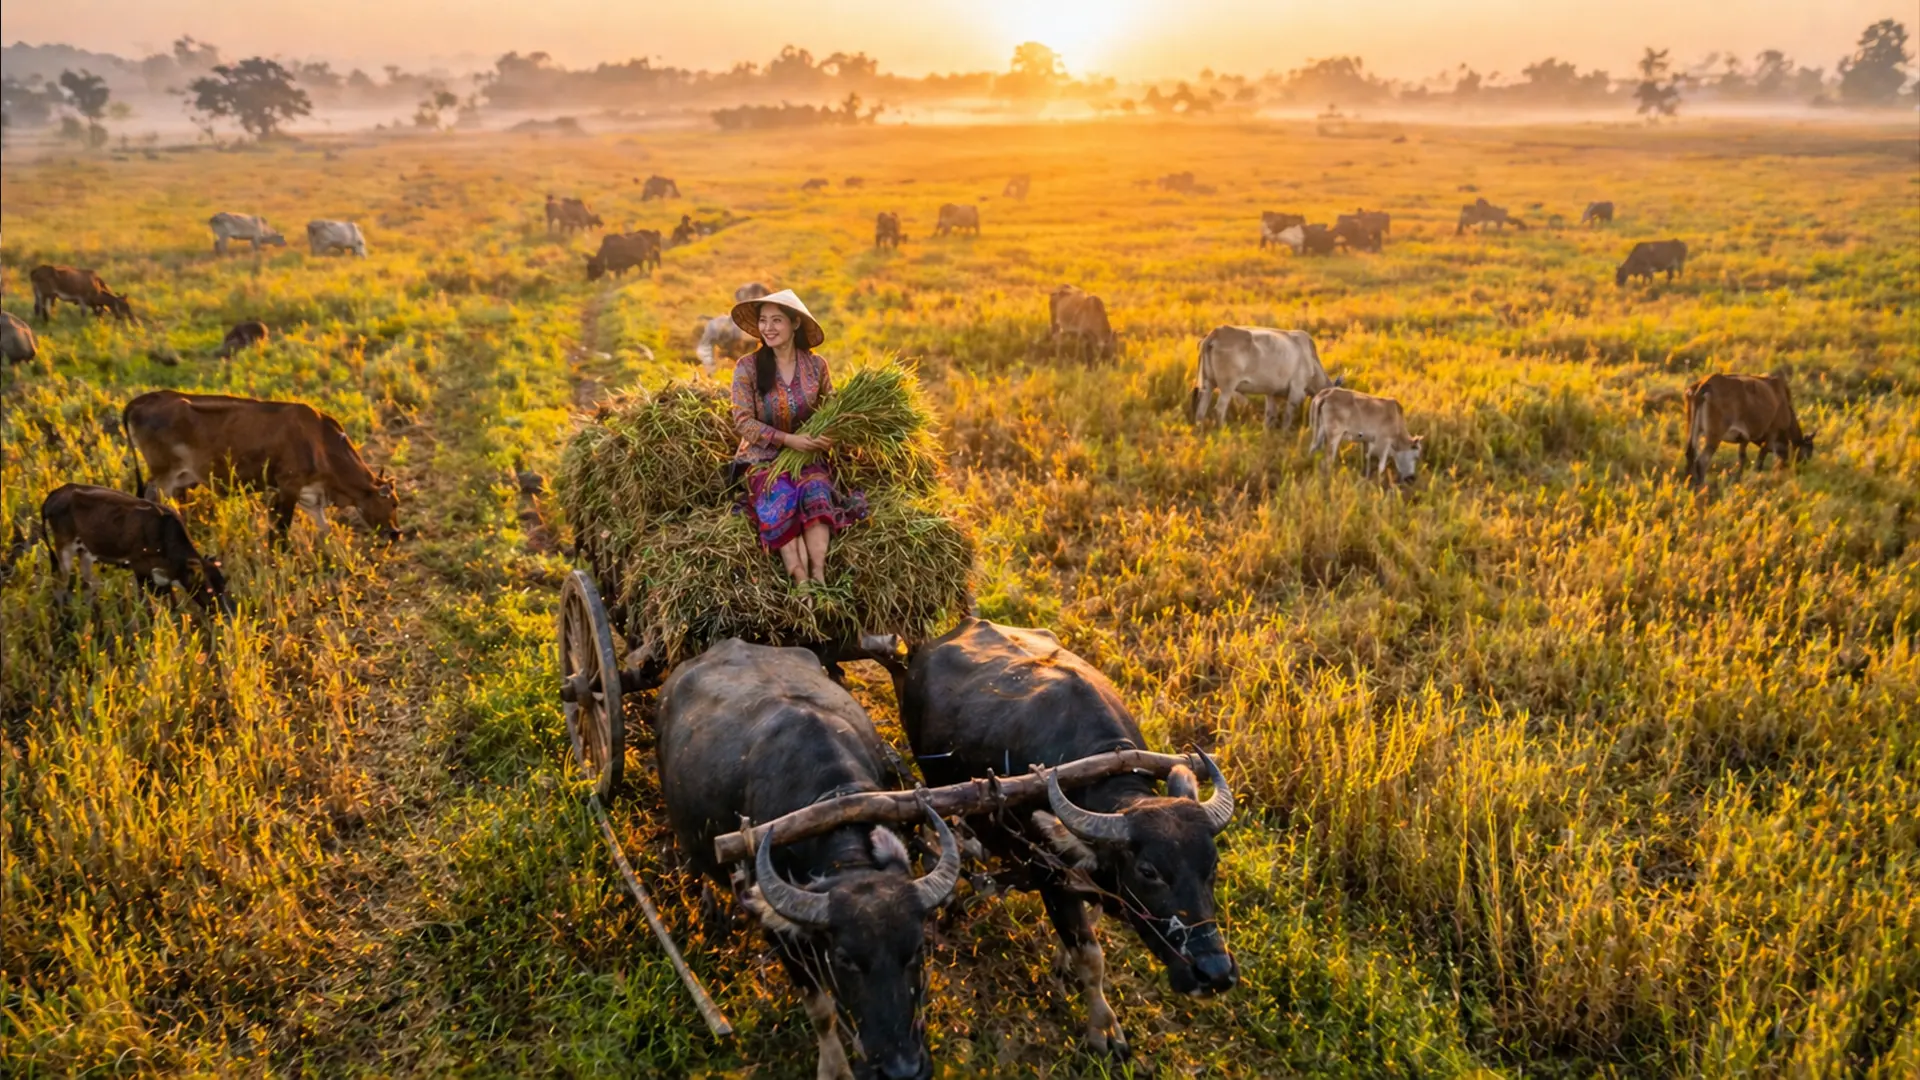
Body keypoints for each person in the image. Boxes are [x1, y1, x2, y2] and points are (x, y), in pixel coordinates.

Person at [728, 289, 864, 584]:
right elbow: (742, 421)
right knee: (779, 491)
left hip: (808, 455)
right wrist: (788, 440)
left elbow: (833, 410)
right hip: (762, 457)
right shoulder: (747, 367)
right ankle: (800, 578)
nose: (768, 328)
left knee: (815, 489)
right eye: (763, 321)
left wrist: (828, 436)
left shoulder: (816, 367)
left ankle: (818, 573)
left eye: (777, 320)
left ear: (795, 324)